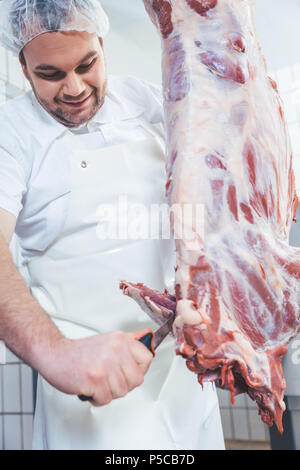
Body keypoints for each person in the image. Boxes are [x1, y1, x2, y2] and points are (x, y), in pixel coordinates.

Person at [0, 0, 225, 450]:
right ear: (23, 67)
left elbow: (205, 188)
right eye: (51, 74)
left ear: (102, 44)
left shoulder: (143, 99)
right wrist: (56, 355)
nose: (75, 88)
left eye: (88, 64)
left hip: (187, 374)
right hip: (92, 388)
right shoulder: (12, 132)